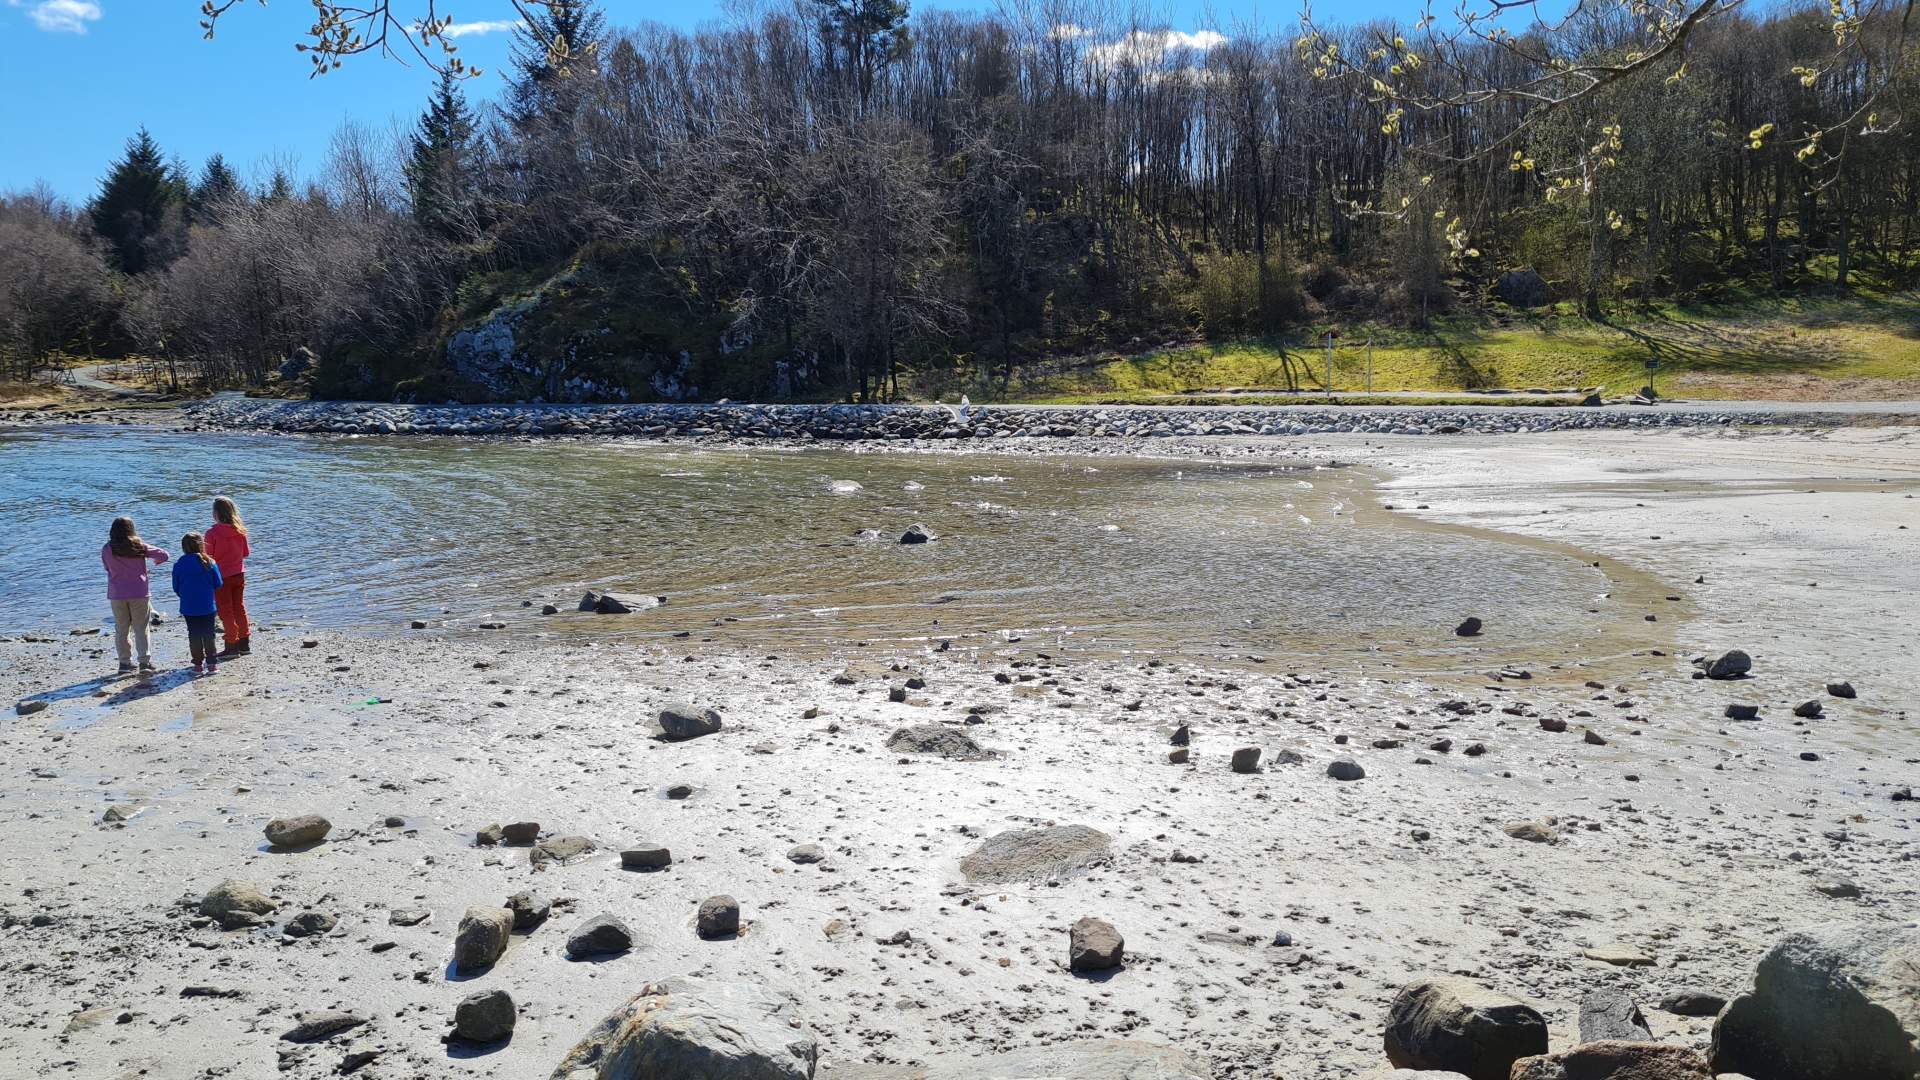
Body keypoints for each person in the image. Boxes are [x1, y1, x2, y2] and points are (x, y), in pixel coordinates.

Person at [101, 516, 169, 673]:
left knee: (121, 629)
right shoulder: (138, 546)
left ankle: (124, 663)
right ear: (131, 530)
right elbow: (164, 555)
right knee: (141, 628)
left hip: (117, 593)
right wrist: (155, 562)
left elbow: (106, 567)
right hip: (139, 592)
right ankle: (144, 662)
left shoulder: (107, 548)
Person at [205, 495, 252, 656]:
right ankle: (244, 644)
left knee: (226, 611)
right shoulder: (240, 531)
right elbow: (245, 553)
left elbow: (208, 557)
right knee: (239, 608)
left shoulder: (211, 533)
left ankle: (231, 645)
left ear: (216, 513)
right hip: (239, 574)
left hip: (221, 577)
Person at [172, 533, 225, 673]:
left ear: (183, 547)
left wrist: (184, 595)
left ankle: (197, 664)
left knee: (194, 634)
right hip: (207, 605)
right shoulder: (210, 563)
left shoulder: (179, 564)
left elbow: (176, 587)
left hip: (188, 606)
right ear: (202, 546)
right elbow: (219, 583)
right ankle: (212, 664)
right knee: (209, 634)